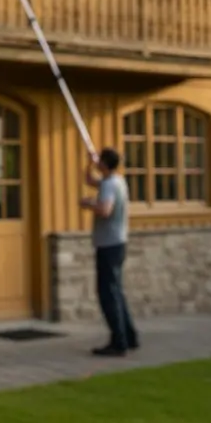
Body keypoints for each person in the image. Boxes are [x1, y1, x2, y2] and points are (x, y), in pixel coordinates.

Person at [80, 147, 138, 356]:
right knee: (116, 292)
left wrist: (88, 204)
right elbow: (89, 179)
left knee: (108, 294)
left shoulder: (109, 186)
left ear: (104, 164)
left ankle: (118, 342)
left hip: (109, 245)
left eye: (99, 162)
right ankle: (129, 336)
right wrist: (90, 162)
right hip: (117, 243)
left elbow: (105, 210)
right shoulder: (116, 181)